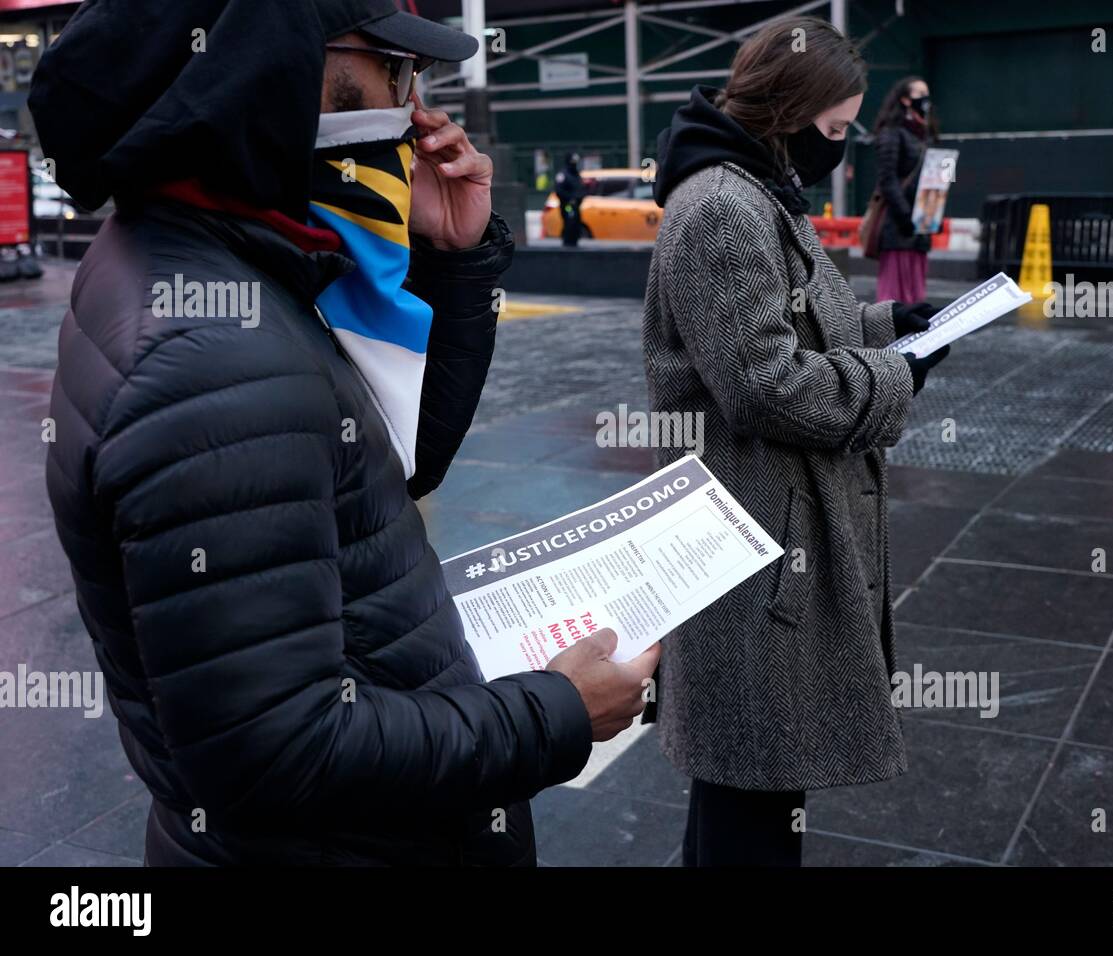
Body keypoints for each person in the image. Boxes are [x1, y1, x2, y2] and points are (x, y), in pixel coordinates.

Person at [32, 0, 656, 867]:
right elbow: (276, 751)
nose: (413, 108)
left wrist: (454, 259)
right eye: (394, 72)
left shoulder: (210, 257)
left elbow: (388, 468)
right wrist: (554, 710)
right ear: (278, 70)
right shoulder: (218, 356)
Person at [643, 16, 949, 867]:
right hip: (755, 542)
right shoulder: (722, 208)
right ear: (789, 108)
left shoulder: (753, 185)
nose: (841, 149)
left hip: (768, 532)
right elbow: (763, 384)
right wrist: (895, 377)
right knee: (753, 786)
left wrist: (896, 326)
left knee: (748, 784)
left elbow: (806, 319)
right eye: (837, 130)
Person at [872, 75, 936, 302]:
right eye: (920, 94)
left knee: (916, 292)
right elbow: (887, 179)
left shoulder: (923, 134)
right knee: (894, 293)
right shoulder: (892, 132)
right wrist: (907, 216)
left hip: (920, 224)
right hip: (898, 224)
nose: (926, 100)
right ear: (905, 100)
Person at [554, 152, 587, 247]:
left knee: (576, 223)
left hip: (576, 205)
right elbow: (559, 190)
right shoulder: (563, 175)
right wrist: (570, 199)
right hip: (568, 205)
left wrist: (579, 197)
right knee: (570, 222)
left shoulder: (576, 175)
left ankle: (574, 243)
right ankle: (567, 243)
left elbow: (581, 188)